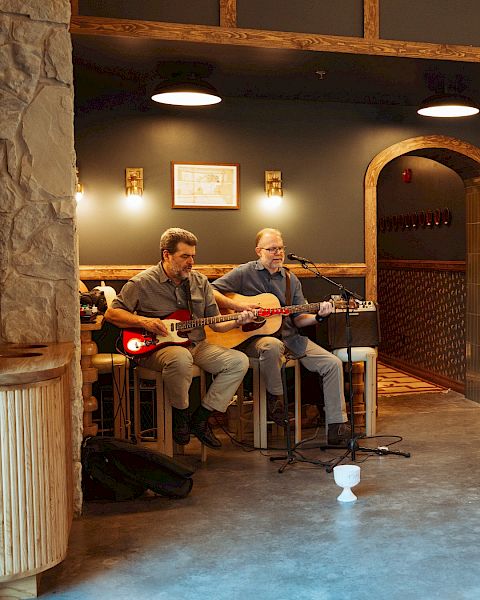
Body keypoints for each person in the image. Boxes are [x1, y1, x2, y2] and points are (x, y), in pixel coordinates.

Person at [105, 228, 255, 450]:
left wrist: (237, 321)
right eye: (185, 256)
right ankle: (181, 416)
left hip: (196, 345)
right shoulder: (142, 283)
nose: (191, 261)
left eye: (193, 256)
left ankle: (201, 418)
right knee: (181, 358)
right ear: (166, 255)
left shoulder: (200, 282)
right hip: (157, 348)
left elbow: (216, 324)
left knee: (238, 361)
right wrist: (144, 322)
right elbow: (112, 313)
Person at [211, 227, 351, 446]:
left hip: (291, 337)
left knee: (332, 363)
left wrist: (320, 317)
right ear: (259, 251)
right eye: (272, 249)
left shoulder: (290, 279)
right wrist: (238, 307)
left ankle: (336, 426)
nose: (277, 253)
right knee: (271, 345)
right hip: (253, 339)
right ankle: (276, 402)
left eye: (280, 248)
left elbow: (298, 318)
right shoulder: (244, 272)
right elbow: (210, 291)